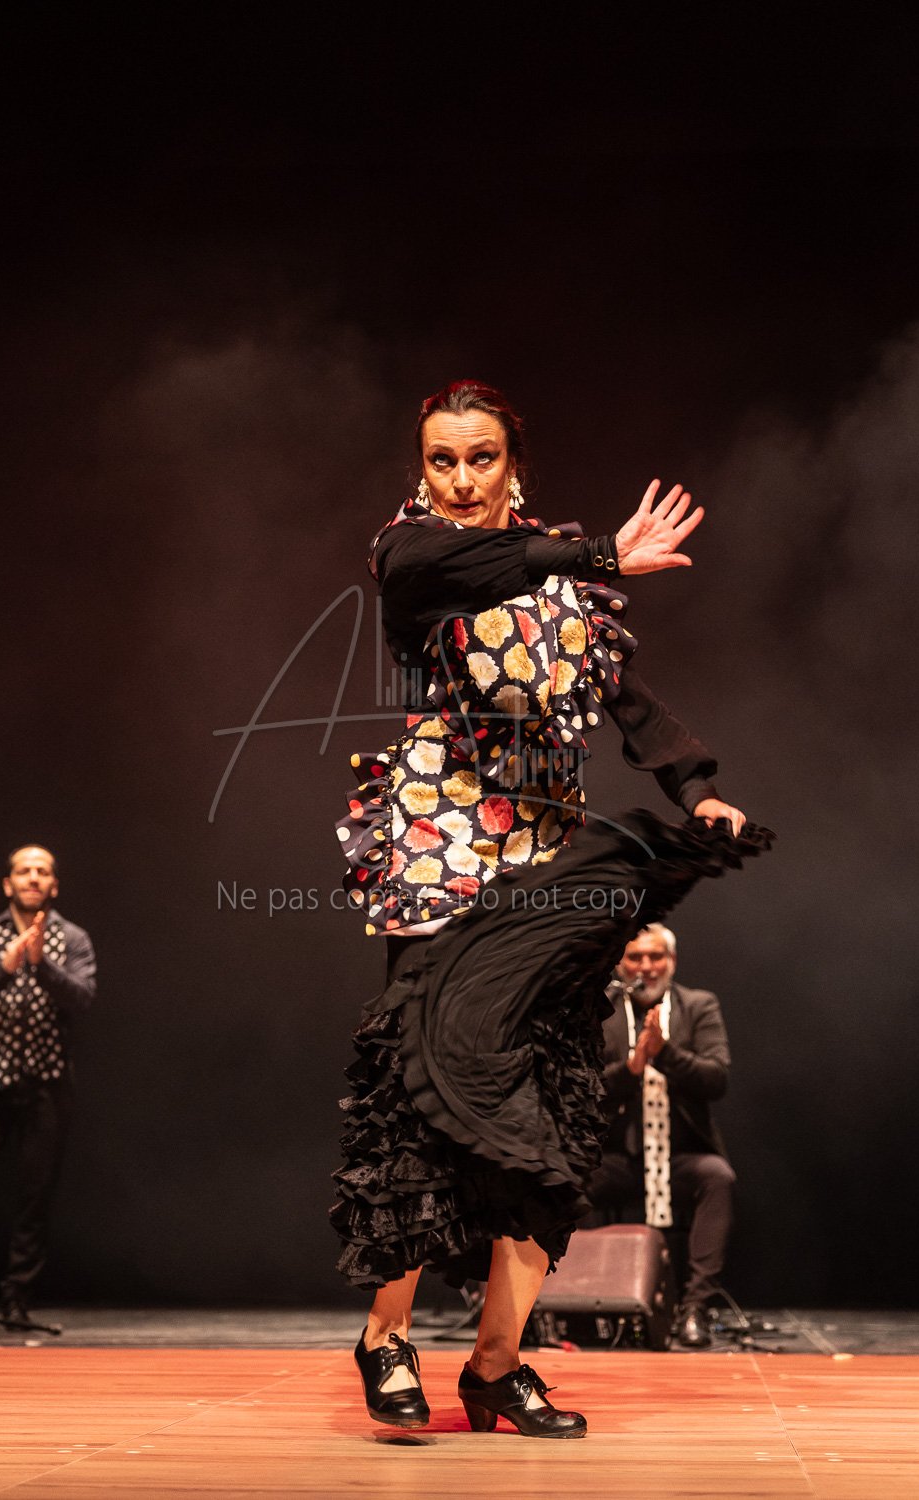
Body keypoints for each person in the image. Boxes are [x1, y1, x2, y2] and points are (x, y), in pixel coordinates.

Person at [330, 380, 769, 1438]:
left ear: (512, 464)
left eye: (480, 458)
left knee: (553, 1116)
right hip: (439, 854)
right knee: (424, 1097)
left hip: (541, 863)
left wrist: (697, 788)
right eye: (442, 460)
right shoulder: (414, 554)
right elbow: (473, 566)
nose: (460, 479)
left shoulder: (564, 580)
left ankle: (496, 1364)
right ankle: (387, 1341)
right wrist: (598, 551)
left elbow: (626, 698)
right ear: (420, 469)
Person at [0, 844, 96, 1329]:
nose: (33, 877)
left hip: (47, 1084)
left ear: (54, 885)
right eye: (24, 870)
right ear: (7, 883)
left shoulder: (72, 938)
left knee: (35, 1194)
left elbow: (83, 999)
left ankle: (16, 1300)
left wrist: (42, 964)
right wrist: (3, 968)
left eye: (42, 871)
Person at [585, 923, 735, 1348]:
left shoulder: (699, 1005)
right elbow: (582, 1086)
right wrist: (631, 1069)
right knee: (563, 1180)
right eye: (636, 957)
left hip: (678, 1155)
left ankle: (695, 1307)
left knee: (718, 1178)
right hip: (615, 1155)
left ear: (672, 961)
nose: (646, 966)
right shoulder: (599, 1008)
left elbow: (717, 1078)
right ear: (620, 963)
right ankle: (581, 1302)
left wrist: (665, 1053)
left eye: (656, 957)